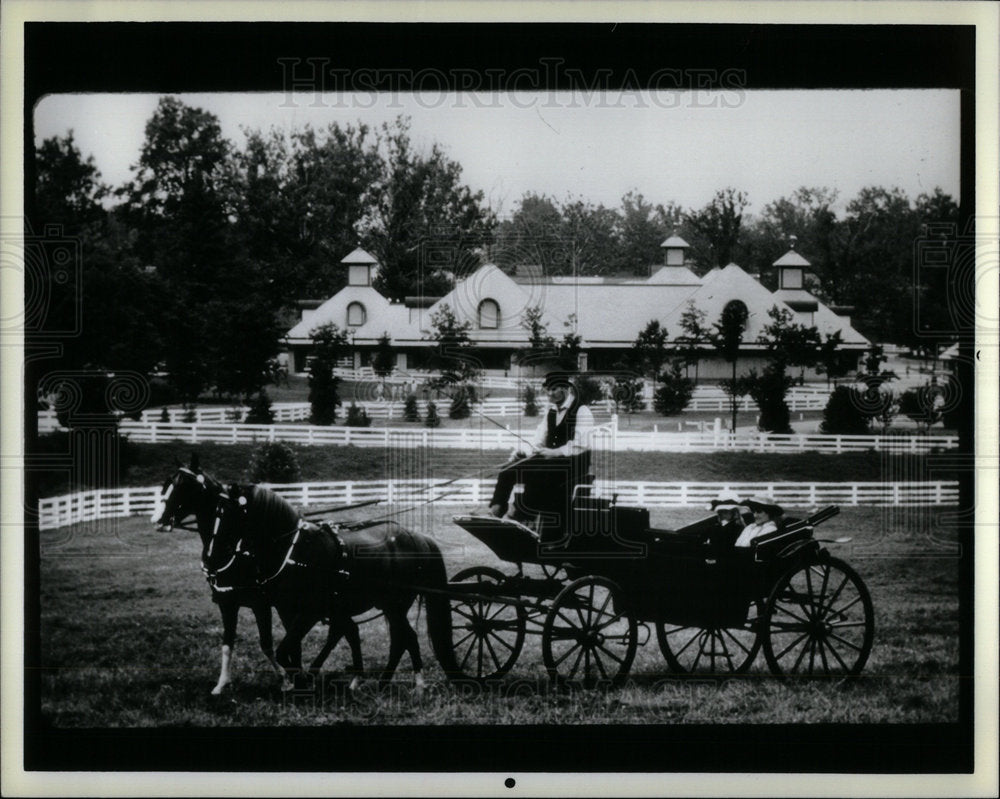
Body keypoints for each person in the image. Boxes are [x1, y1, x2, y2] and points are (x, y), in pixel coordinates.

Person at [488, 373, 594, 534]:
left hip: (574, 465)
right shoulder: (551, 411)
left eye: (554, 389)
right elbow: (539, 439)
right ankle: (496, 511)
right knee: (508, 471)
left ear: (565, 389)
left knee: (538, 474)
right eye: (547, 390)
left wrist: (555, 452)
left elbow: (581, 444)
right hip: (549, 462)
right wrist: (523, 453)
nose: (549, 393)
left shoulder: (582, 410)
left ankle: (521, 515)